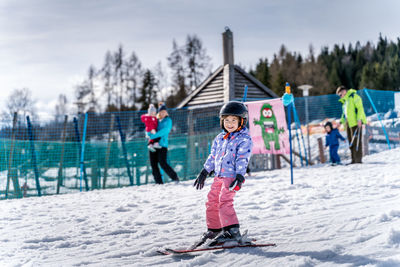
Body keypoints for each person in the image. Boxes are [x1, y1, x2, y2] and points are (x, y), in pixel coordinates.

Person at [192, 101, 253, 248]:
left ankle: (232, 231)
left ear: (241, 121)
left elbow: (242, 158)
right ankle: (214, 229)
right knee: (211, 201)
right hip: (218, 176)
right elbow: (213, 156)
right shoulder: (220, 138)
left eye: (233, 120)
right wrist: (205, 170)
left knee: (224, 202)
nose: (230, 123)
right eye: (226, 120)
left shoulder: (244, 139)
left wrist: (239, 176)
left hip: (231, 177)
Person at [147, 103, 179, 184]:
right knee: (153, 164)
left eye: (164, 111)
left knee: (162, 163)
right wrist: (149, 134)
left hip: (162, 146)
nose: (162, 113)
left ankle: (174, 177)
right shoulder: (156, 120)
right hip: (153, 145)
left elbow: (165, 131)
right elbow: (149, 129)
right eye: (161, 111)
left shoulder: (168, 121)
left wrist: (153, 136)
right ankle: (159, 182)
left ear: (166, 112)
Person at [336, 86, 367, 164]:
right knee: (351, 141)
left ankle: (358, 160)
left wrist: (359, 119)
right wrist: (340, 122)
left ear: (344, 91)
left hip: (355, 122)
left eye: (341, 94)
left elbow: (360, 108)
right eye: (339, 95)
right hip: (348, 123)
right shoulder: (345, 101)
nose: (341, 96)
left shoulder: (354, 97)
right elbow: (344, 114)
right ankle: (353, 159)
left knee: (356, 141)